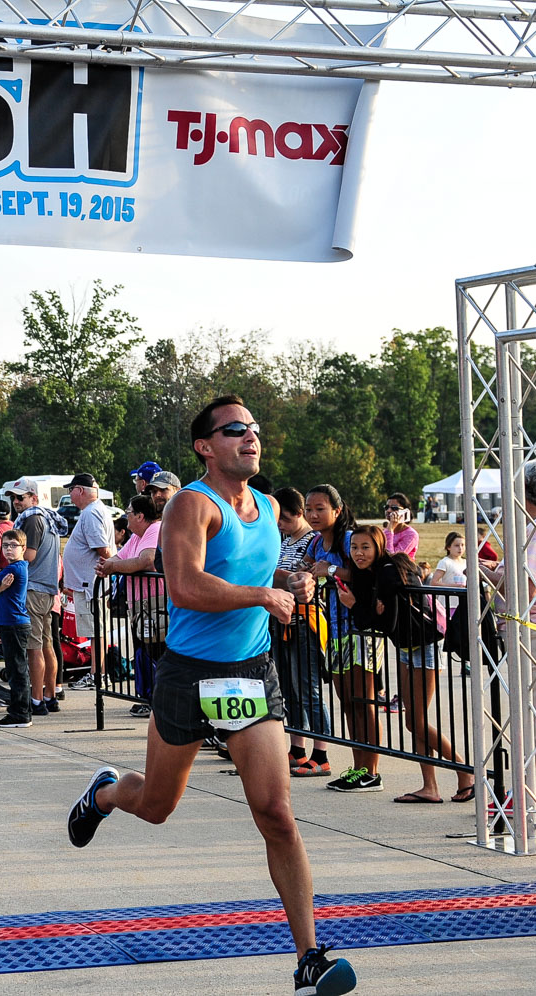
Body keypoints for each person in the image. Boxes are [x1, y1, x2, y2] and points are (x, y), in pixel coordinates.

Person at [66, 395, 357, 996]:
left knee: (276, 813)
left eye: (254, 428)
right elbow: (187, 585)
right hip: (190, 673)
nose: (250, 438)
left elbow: (258, 575)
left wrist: (289, 582)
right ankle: (107, 793)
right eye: (234, 431)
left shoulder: (270, 506)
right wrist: (262, 597)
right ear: (205, 446)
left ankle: (310, 957)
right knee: (157, 805)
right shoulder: (190, 506)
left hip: (250, 671)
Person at [342, 525, 471, 805]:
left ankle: (466, 772)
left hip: (422, 646)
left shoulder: (388, 571)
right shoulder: (374, 573)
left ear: (378, 546)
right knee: (416, 719)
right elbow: (376, 619)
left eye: (365, 547)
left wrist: (354, 606)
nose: (358, 553)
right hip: (405, 647)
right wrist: (367, 609)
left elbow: (380, 622)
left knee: (415, 722)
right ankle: (430, 787)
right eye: (354, 547)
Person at [478, 458, 536, 828]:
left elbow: (525, 586)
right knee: (535, 719)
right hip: (532, 632)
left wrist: (487, 576)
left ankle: (530, 800)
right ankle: (525, 797)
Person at [302, 485, 381, 793]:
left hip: (359, 630)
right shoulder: (317, 542)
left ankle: (372, 771)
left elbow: (365, 572)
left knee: (364, 701)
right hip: (334, 631)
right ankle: (358, 768)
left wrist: (330, 568)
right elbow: (310, 567)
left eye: (320, 508)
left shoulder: (350, 539)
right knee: (347, 702)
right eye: (309, 508)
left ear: (336, 510)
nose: (313, 514)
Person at [272, 487, 331, 778]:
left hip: (305, 622)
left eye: (284, 518)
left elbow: (303, 580)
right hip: (283, 621)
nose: (280, 524)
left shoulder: (312, 541)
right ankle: (298, 748)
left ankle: (322, 752)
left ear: (297, 513)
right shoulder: (285, 541)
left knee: (309, 689)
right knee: (289, 688)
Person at [96, 494, 164, 717]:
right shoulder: (137, 536)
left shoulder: (155, 530)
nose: (126, 516)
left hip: (156, 604)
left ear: (140, 515)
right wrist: (109, 566)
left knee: (157, 652)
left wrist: (113, 568)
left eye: (128, 512)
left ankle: (158, 700)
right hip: (140, 606)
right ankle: (148, 697)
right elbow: (118, 558)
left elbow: (146, 560)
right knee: (144, 652)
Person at [9, 477, 69, 713]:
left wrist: (11, 559)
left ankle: (36, 700)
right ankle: (50, 695)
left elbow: (30, 556)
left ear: (34, 497)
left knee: (34, 647)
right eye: (13, 498)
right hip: (46, 589)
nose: (16, 502)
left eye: (20, 497)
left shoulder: (33, 519)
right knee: (46, 644)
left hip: (33, 588)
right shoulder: (48, 518)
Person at [62, 474, 114, 689]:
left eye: (71, 490)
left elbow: (104, 550)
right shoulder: (93, 511)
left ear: (80, 490)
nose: (70, 495)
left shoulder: (91, 513)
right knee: (94, 632)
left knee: (96, 632)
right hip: (87, 584)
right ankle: (97, 673)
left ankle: (98, 675)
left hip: (91, 585)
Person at [0, 529, 32, 727]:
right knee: (14, 669)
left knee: (17, 670)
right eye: (5, 546)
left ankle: (20, 713)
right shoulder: (11, 567)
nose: (8, 550)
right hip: (8, 623)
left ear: (23, 548)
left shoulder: (15, 568)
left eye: (13, 546)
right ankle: (20, 710)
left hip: (15, 624)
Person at [382, 493, 419, 560]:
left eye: (394, 508)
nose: (388, 511)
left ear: (405, 511)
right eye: (386, 507)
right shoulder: (384, 531)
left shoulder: (411, 534)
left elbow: (392, 557)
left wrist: (390, 529)